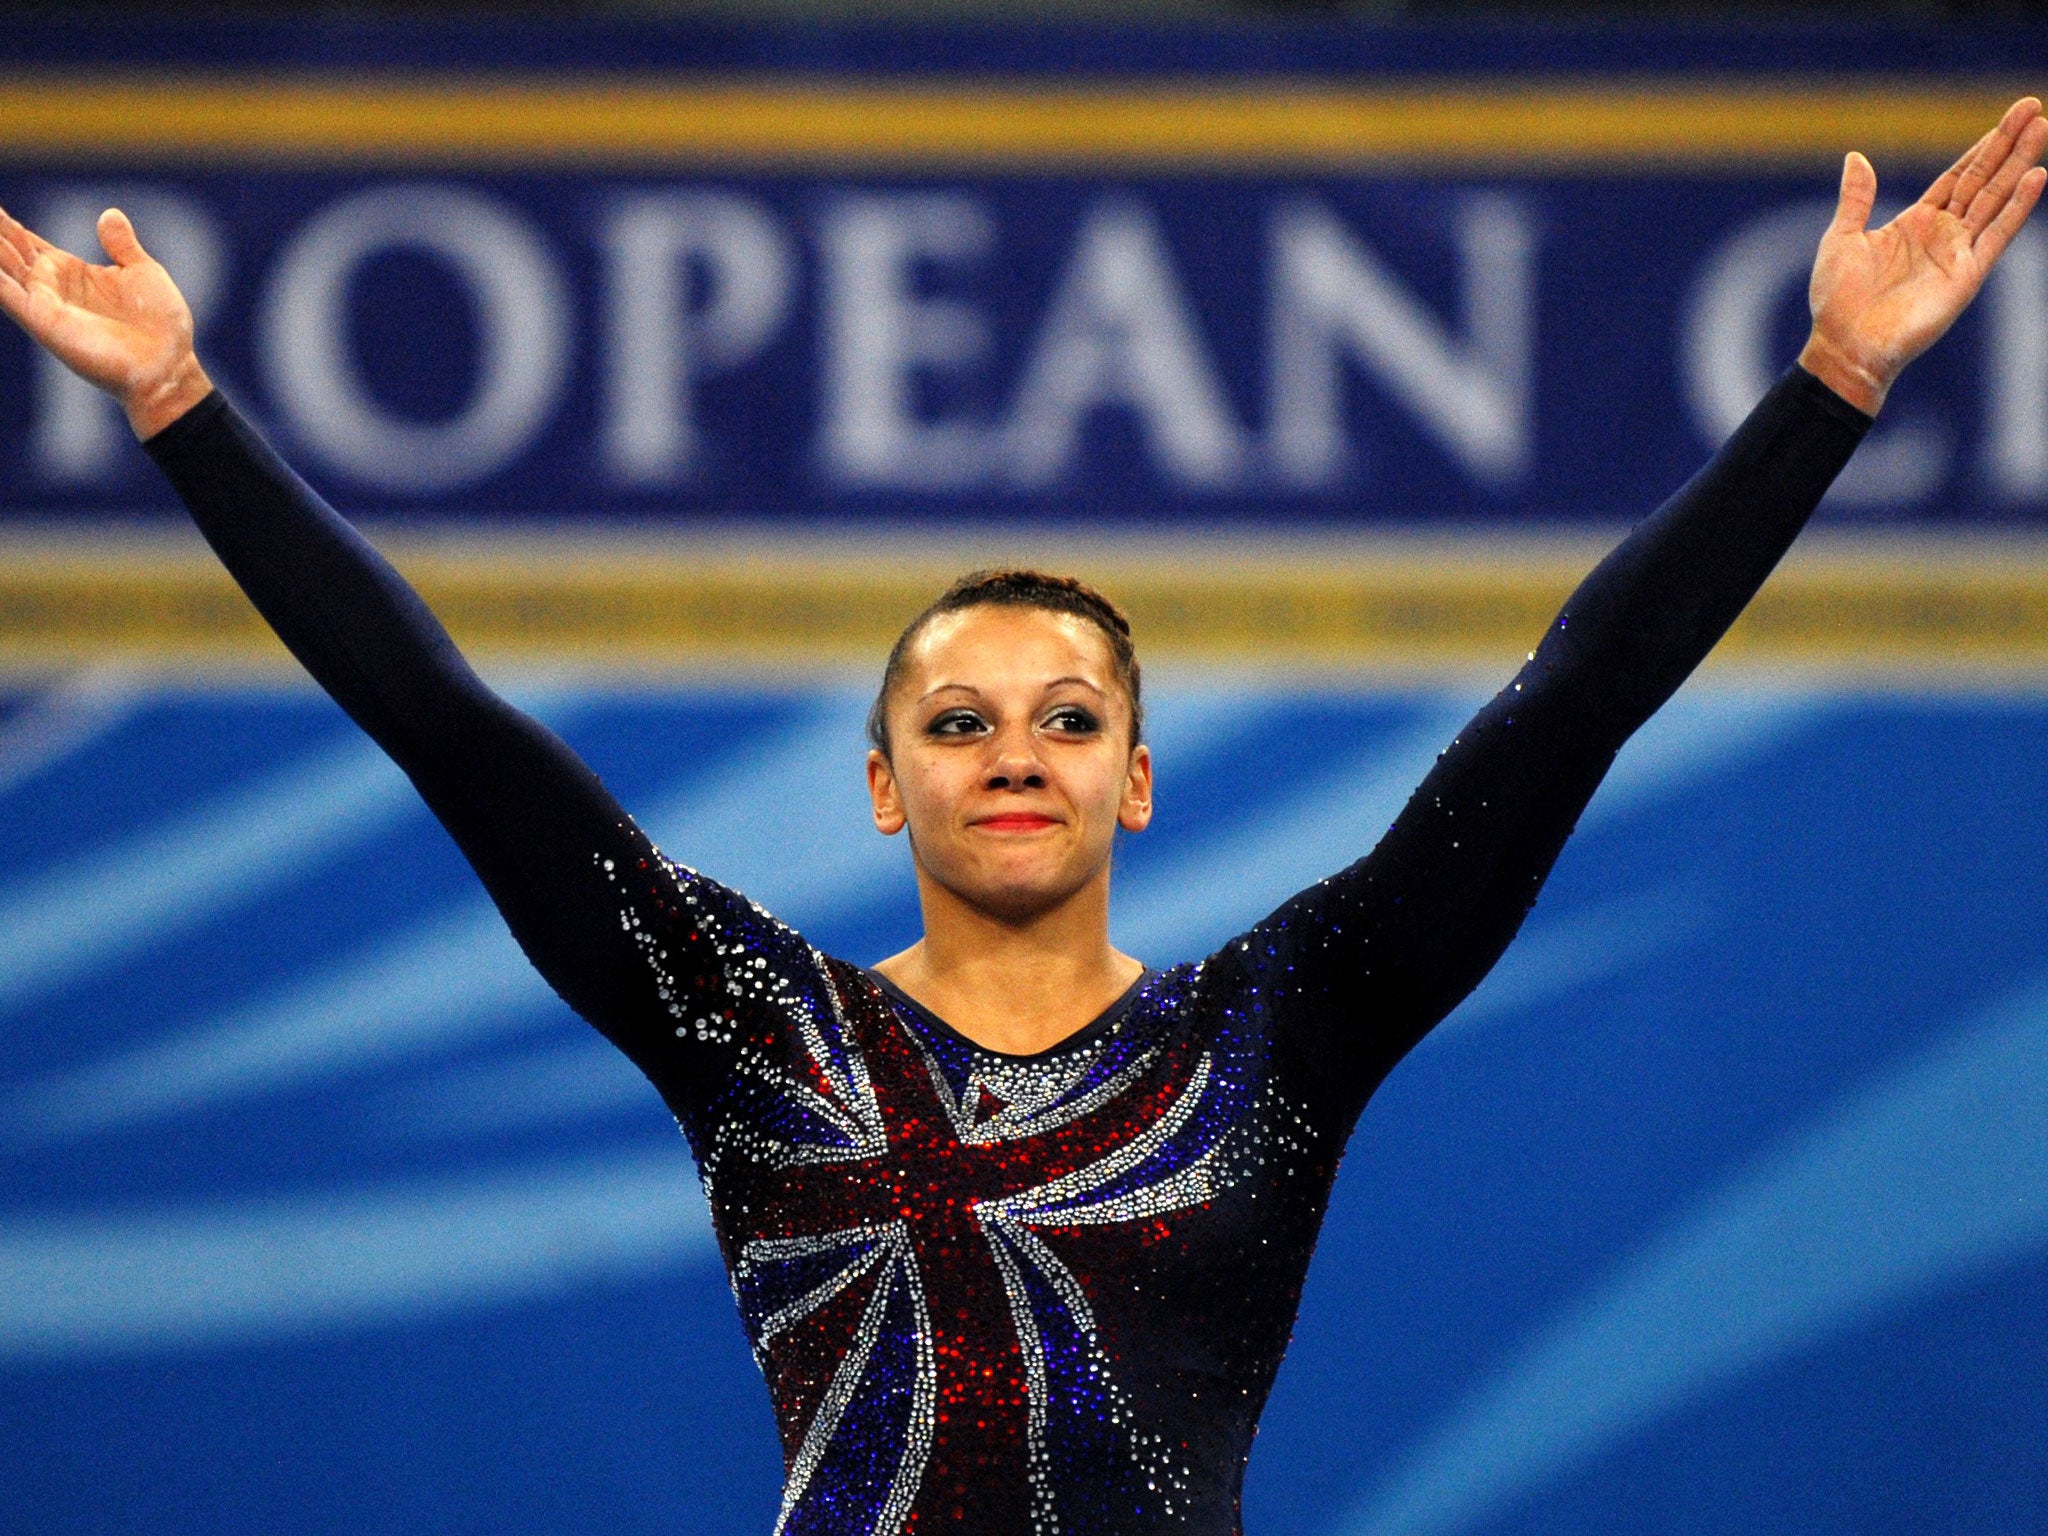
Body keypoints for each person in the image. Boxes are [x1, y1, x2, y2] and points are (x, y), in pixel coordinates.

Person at [3, 100, 2043, 1536]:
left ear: (1134, 780)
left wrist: (1829, 389)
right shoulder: (741, 1020)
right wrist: (187, 411)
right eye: (958, 718)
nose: (1013, 751)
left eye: (1067, 718)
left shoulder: (1289, 1024)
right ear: (883, 783)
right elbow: (436, 719)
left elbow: (1578, 695)